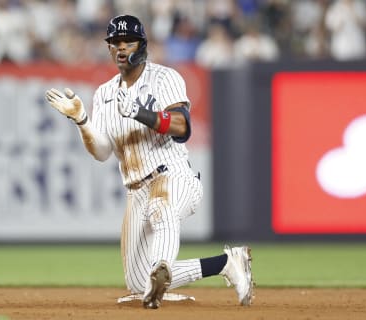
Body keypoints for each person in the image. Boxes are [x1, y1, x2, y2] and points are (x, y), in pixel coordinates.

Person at [45, 14, 253, 309]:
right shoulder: (104, 94)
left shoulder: (164, 78)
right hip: (135, 190)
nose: (120, 48)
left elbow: (183, 127)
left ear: (141, 44)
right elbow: (102, 152)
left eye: (127, 41)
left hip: (173, 176)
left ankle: (161, 269)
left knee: (161, 207)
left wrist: (142, 113)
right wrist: (81, 120)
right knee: (137, 281)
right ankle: (227, 263)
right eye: (114, 42)